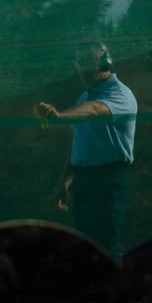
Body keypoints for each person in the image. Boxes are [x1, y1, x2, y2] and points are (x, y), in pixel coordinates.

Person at [39, 39, 138, 264]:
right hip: (84, 180)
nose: (82, 69)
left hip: (108, 178)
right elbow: (79, 144)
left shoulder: (120, 94)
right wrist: (64, 183)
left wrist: (60, 115)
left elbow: (94, 111)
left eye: (88, 62)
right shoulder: (85, 96)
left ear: (105, 62)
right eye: (79, 63)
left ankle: (114, 297)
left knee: (105, 247)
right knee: (85, 247)